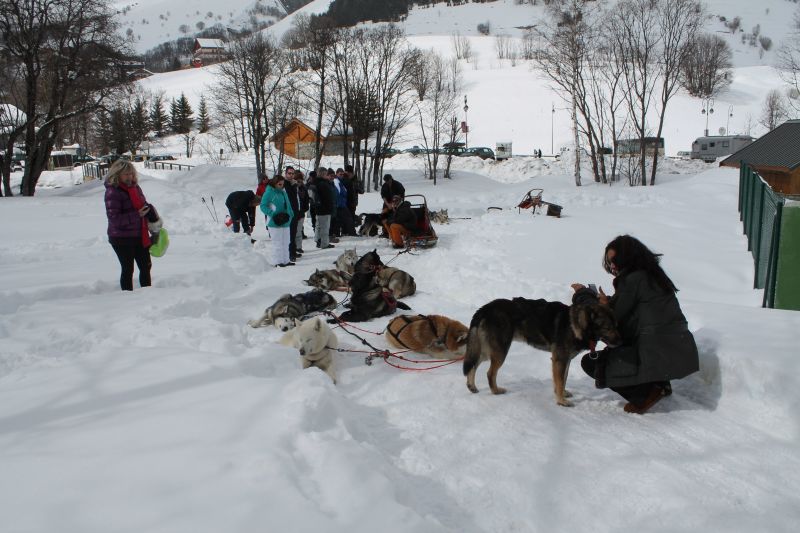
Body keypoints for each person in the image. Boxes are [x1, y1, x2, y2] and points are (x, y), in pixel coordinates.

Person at [573, 235, 699, 414]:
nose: (612, 266)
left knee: (592, 363)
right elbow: (631, 310)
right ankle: (659, 383)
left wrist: (583, 294)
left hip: (653, 349)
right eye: (610, 262)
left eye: (614, 260)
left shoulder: (633, 280)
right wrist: (606, 302)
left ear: (628, 258)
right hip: (674, 349)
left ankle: (644, 395)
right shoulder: (652, 276)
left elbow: (609, 319)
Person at [104, 160, 158, 291]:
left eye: (132, 174)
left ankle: (147, 294)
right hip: (121, 238)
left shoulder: (135, 188)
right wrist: (137, 215)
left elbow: (143, 204)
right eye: (126, 174)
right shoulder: (113, 192)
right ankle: (127, 299)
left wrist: (151, 211)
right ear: (117, 175)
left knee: (146, 266)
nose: (130, 177)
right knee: (128, 269)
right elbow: (114, 219)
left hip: (140, 235)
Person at [260, 175, 295, 267]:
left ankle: (286, 260)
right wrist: (272, 213)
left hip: (285, 221)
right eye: (279, 184)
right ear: (274, 183)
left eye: (283, 184)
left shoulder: (283, 192)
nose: (281, 186)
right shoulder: (269, 192)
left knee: (286, 241)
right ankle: (278, 262)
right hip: (274, 222)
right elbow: (263, 206)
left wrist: (291, 214)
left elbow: (288, 205)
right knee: (277, 243)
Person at [312, 169, 336, 249]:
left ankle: (318, 241)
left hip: (319, 209)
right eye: (326, 174)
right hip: (324, 209)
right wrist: (330, 208)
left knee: (319, 226)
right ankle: (324, 243)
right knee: (325, 228)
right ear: (323, 174)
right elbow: (328, 198)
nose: (327, 175)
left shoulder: (316, 182)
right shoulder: (323, 184)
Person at [284, 166, 301, 262]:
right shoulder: (284, 184)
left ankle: (293, 251)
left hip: (294, 212)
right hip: (287, 213)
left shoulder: (293, 184)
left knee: (293, 233)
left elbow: (296, 199)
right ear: (286, 174)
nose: (291, 175)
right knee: (289, 234)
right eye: (289, 173)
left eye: (292, 173)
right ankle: (290, 254)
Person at [333, 167, 356, 237]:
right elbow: (337, 194)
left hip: (342, 203)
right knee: (348, 218)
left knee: (340, 220)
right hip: (340, 204)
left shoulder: (340, 181)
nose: (342, 176)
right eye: (340, 174)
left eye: (343, 174)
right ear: (336, 174)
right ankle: (351, 233)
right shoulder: (336, 181)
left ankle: (338, 233)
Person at [293, 170, 309, 254]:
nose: (299, 182)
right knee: (294, 231)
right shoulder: (293, 188)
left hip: (301, 213)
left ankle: (298, 246)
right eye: (297, 180)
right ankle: (293, 247)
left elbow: (306, 200)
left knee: (299, 231)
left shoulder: (304, 189)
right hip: (293, 213)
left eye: (301, 180)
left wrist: (304, 209)